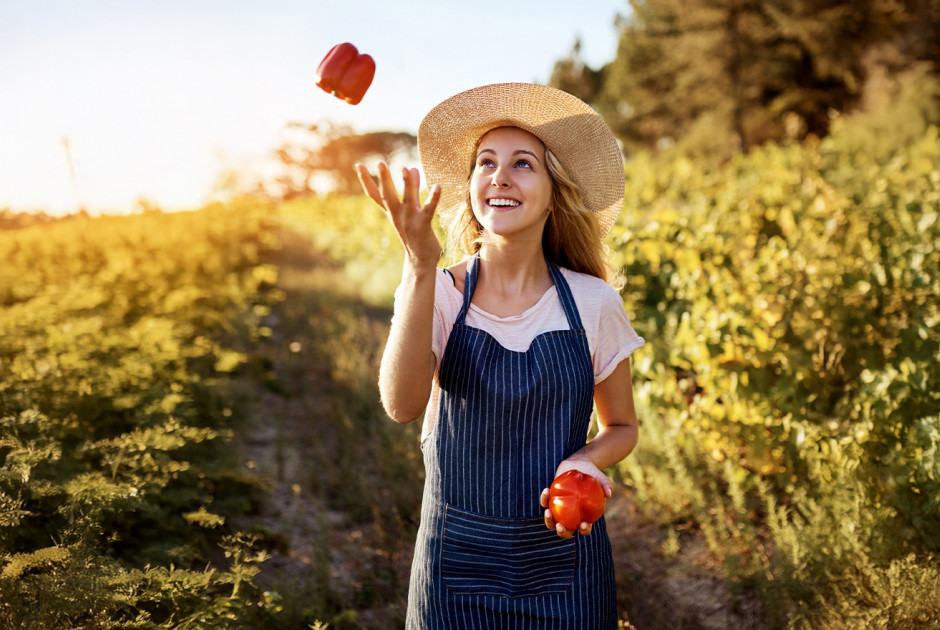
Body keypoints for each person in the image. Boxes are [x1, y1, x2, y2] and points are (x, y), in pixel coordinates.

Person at [355, 83, 645, 630]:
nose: (500, 176)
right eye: (486, 162)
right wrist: (418, 266)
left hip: (565, 566)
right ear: (470, 188)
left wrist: (586, 460)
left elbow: (623, 427)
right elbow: (400, 405)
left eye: (523, 164)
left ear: (554, 193)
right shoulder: (438, 292)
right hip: (453, 570)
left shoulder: (592, 303)